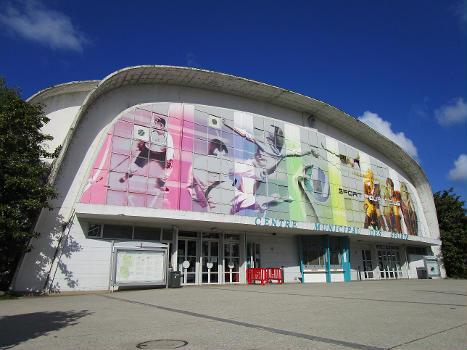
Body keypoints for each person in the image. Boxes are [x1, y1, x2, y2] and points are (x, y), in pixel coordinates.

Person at [119, 116, 174, 195]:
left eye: (157, 123)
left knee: (168, 169)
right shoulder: (150, 131)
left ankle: (161, 184)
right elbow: (140, 136)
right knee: (135, 165)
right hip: (148, 151)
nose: (155, 124)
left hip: (161, 154)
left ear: (161, 126)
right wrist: (140, 143)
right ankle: (127, 176)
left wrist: (169, 159)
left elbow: (170, 148)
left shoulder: (168, 136)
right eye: (155, 123)